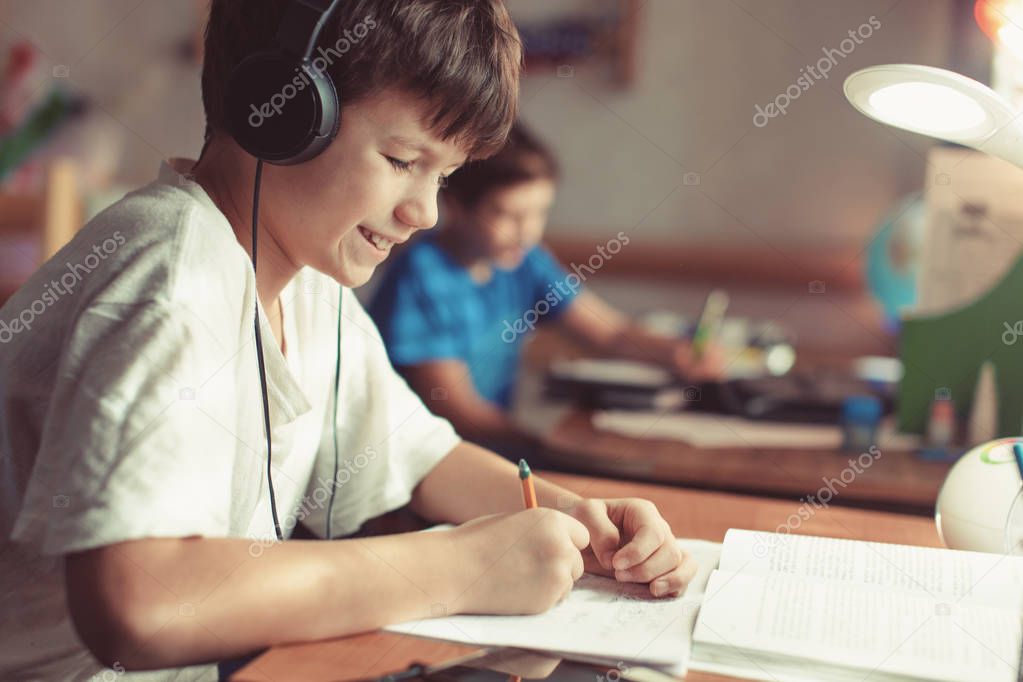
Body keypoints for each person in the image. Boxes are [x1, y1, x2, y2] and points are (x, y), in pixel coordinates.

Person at [0, 2, 697, 680]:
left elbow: (422, 458)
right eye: (401, 160)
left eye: (444, 177)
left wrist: (579, 520)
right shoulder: (172, 280)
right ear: (282, 113)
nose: (424, 212)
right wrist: (460, 568)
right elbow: (140, 605)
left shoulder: (310, 289)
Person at [369, 122, 722, 456]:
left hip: (489, 452)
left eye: (539, 212)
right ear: (456, 205)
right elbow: (462, 416)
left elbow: (610, 332)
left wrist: (677, 354)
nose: (527, 232)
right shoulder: (420, 277)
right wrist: (551, 450)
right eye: (507, 215)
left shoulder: (523, 260)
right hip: (425, 465)